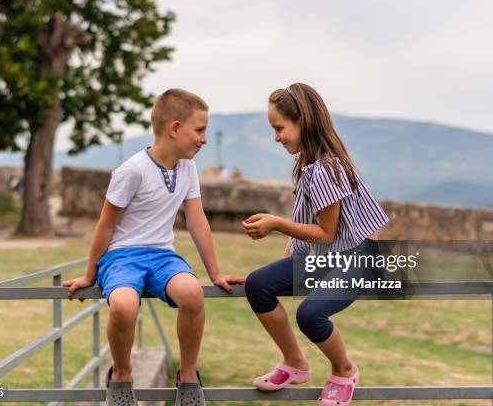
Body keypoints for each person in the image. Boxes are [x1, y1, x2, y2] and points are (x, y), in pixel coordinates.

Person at [63, 88, 244, 406]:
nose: (203, 139)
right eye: (199, 130)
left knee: (192, 293)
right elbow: (105, 225)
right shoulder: (132, 170)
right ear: (175, 129)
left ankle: (188, 376)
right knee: (123, 305)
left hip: (162, 256)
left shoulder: (188, 169)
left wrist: (215, 273)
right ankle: (121, 375)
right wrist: (89, 275)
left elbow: (197, 222)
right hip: (122, 256)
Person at [242, 83, 389, 406]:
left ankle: (344, 369)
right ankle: (294, 362)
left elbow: (325, 232)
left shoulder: (324, 168)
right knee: (257, 284)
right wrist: (281, 267)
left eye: (279, 128)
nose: (276, 137)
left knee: (311, 314)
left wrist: (277, 223)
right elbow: (312, 227)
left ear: (302, 123)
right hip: (328, 255)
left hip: (357, 256)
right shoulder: (308, 166)